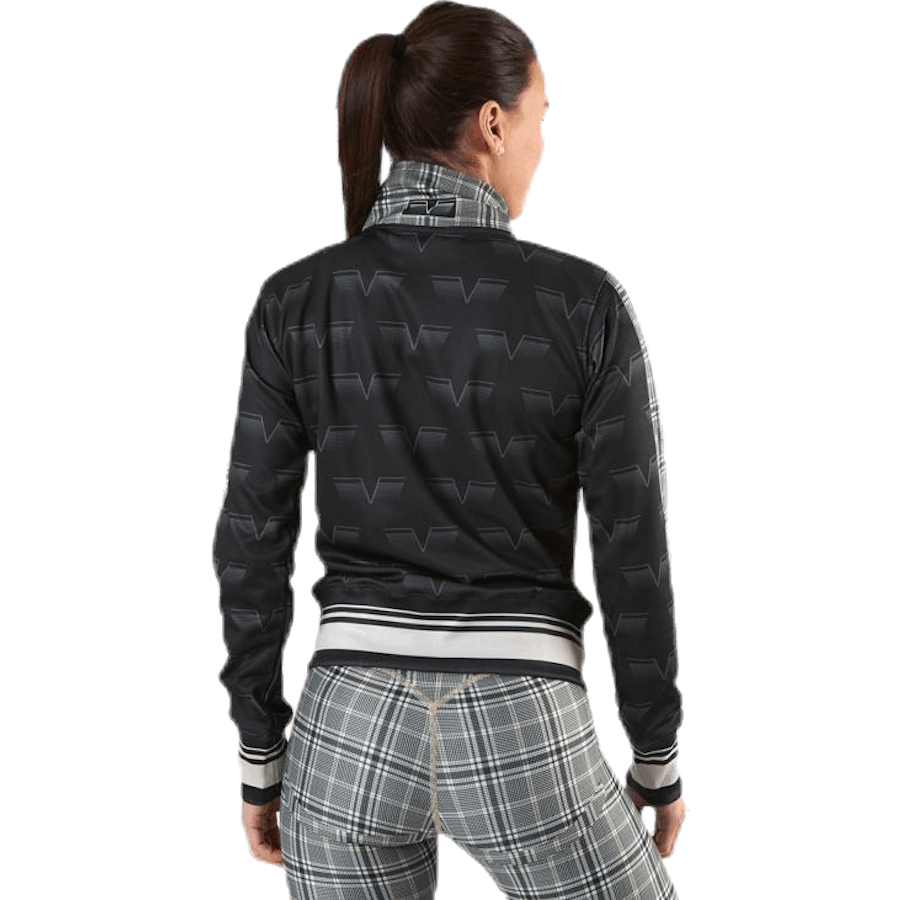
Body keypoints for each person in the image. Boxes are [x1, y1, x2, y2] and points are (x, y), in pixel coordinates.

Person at [212, 2, 687, 896]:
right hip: (524, 723)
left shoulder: (294, 300)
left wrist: (262, 758)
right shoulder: (584, 304)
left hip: (345, 733)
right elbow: (632, 549)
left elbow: (250, 543)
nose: (541, 145)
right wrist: (655, 756)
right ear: (493, 123)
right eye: (542, 116)